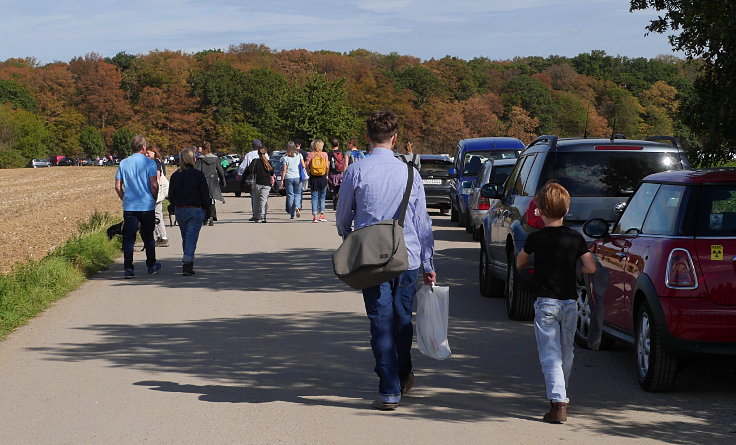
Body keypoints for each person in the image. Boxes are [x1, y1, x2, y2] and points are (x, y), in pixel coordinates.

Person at [336, 110, 436, 411]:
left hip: (370, 257)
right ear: (395, 138)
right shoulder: (409, 173)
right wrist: (429, 263)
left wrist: (351, 239)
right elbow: (422, 222)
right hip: (408, 255)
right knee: (402, 317)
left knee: (380, 320)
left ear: (368, 137)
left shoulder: (357, 171)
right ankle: (403, 373)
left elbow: (343, 219)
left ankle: (389, 388)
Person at [516, 182, 597, 424]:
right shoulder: (575, 237)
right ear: (567, 209)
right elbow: (591, 266)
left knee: (549, 353)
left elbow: (520, 261)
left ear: (539, 209)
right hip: (570, 303)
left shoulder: (536, 238)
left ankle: (559, 401)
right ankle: (560, 395)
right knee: (566, 351)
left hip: (546, 304)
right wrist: (577, 268)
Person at [114, 135, 161, 279]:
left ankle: (128, 269)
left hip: (130, 206)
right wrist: (154, 198)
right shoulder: (150, 163)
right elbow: (154, 185)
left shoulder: (123, 163)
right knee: (148, 237)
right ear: (144, 147)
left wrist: (125, 198)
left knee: (129, 239)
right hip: (146, 206)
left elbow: (117, 186)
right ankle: (151, 265)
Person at [168, 148, 210, 276]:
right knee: (191, 237)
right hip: (195, 209)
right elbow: (204, 194)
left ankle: (188, 261)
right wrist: (207, 210)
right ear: (193, 159)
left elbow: (171, 195)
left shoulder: (175, 176)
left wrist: (174, 205)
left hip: (181, 210)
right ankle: (187, 263)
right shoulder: (198, 175)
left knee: (186, 237)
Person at [236, 139, 269, 222]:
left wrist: (239, 174)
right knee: (263, 198)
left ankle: (256, 215)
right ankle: (263, 215)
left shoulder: (249, 155)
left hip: (253, 178)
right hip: (265, 178)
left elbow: (243, 166)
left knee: (254, 197)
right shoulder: (266, 155)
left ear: (252, 146)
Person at [195, 141, 226, 226]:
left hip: (203, 180)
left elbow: (197, 171)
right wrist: (223, 181)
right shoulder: (215, 158)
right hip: (213, 181)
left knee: (203, 199)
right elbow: (220, 171)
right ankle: (212, 216)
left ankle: (205, 217)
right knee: (212, 199)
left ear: (202, 148)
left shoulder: (200, 159)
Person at [245, 144, 275, 222]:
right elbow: (272, 172)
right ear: (265, 153)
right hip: (267, 184)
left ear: (258, 153)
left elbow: (249, 170)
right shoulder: (268, 162)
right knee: (263, 200)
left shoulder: (255, 161)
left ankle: (257, 216)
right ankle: (263, 216)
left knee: (256, 200)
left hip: (257, 183)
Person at [146, 148, 169, 247]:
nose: (146, 154)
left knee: (156, 214)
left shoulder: (155, 162)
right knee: (156, 214)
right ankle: (160, 236)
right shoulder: (159, 162)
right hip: (157, 191)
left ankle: (162, 237)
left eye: (148, 152)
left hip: (155, 192)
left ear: (154, 152)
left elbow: (157, 177)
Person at [280, 141, 305, 219]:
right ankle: (297, 206)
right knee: (297, 194)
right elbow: (303, 165)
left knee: (290, 195)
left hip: (288, 177)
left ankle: (292, 213)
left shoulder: (285, 157)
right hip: (297, 176)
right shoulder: (299, 155)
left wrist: (282, 180)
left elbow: (284, 169)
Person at [306, 140, 329, 223]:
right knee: (322, 197)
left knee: (314, 197)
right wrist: (326, 175)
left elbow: (306, 165)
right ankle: (322, 215)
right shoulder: (324, 154)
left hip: (313, 177)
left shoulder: (311, 154)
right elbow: (327, 166)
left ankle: (315, 216)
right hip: (322, 177)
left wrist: (309, 173)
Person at [327, 138, 347, 210]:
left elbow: (328, 164)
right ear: (338, 144)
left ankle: (335, 205)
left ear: (331, 145)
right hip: (341, 173)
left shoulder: (330, 153)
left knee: (334, 190)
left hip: (333, 173)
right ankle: (340, 205)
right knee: (340, 190)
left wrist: (327, 174)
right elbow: (345, 163)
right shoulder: (342, 153)